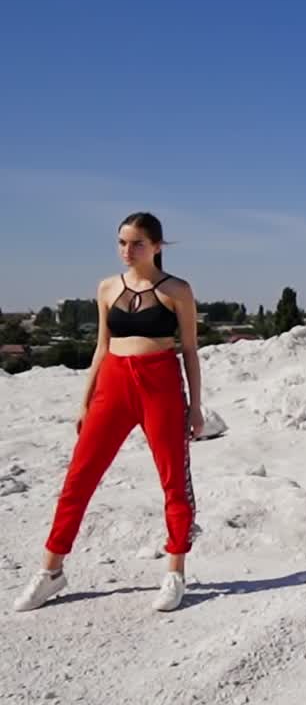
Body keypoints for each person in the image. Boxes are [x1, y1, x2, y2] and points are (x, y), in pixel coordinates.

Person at [13, 213, 203, 614]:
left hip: (161, 384)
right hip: (113, 384)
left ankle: (175, 571)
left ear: (157, 247)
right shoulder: (106, 287)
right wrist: (86, 399)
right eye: (121, 242)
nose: (126, 251)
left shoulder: (178, 290)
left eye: (136, 243)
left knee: (173, 480)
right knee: (78, 478)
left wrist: (195, 406)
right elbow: (102, 346)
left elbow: (188, 350)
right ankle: (51, 571)